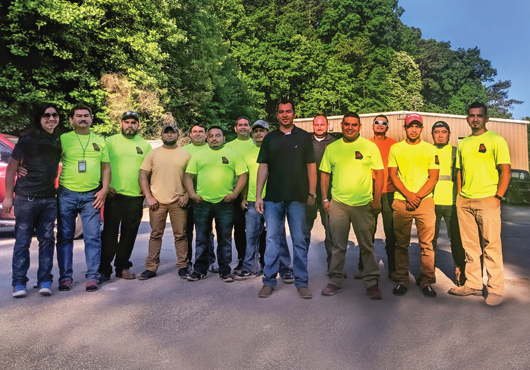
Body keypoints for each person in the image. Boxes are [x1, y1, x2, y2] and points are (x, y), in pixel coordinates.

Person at [448, 102, 511, 306]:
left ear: (486, 118)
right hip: (465, 200)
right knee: (470, 246)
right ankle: (474, 284)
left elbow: (506, 171)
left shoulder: (496, 140)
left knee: (491, 246)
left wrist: (497, 197)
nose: (475, 119)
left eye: (479, 116)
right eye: (472, 115)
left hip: (488, 200)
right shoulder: (464, 143)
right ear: (467, 118)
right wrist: (459, 197)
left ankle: (494, 290)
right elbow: (460, 172)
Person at [256, 100, 317, 299]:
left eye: (288, 111)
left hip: (297, 199)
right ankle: (269, 281)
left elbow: (311, 166)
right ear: (277, 115)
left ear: (294, 113)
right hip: (273, 198)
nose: (285, 115)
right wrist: (258, 195)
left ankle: (302, 283)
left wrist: (312, 193)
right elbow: (263, 167)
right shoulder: (270, 139)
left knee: (299, 241)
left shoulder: (304, 137)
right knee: (273, 240)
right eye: (281, 112)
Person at [320, 112, 384, 299]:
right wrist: (325, 199)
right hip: (338, 203)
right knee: (338, 245)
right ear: (341, 125)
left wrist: (377, 199)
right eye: (347, 124)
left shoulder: (369, 147)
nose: (350, 127)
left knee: (367, 245)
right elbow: (325, 174)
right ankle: (335, 281)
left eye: (354, 124)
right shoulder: (332, 148)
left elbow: (379, 173)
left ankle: (371, 282)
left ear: (360, 126)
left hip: (363, 204)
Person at [4, 104, 63, 297]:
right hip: (25, 199)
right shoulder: (27, 140)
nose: (51, 118)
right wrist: (7, 197)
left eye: (54, 115)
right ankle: (19, 283)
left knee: (47, 241)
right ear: (39, 118)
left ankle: (45, 281)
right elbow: (12, 168)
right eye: (47, 115)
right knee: (22, 242)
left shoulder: (59, 140)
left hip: (48, 199)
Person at [56, 104, 110, 292]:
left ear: (91, 119)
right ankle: (65, 278)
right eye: (78, 116)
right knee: (64, 237)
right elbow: (48, 160)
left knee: (93, 237)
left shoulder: (99, 140)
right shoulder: (63, 139)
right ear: (71, 120)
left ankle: (92, 277)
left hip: (92, 195)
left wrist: (104, 190)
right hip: (67, 194)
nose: (83, 118)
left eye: (86, 115)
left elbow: (106, 167)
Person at [184, 126, 248, 282]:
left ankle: (225, 270)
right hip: (202, 203)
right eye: (211, 136)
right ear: (207, 138)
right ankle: (200, 269)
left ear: (223, 138)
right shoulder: (199, 155)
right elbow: (188, 176)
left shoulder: (233, 154)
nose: (214, 138)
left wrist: (235, 194)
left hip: (224, 203)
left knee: (225, 238)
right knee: (201, 238)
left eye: (217, 136)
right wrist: (192, 194)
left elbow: (243, 175)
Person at [388, 113, 439, 298]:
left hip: (424, 201)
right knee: (401, 244)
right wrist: (408, 195)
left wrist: (417, 196)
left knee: (427, 244)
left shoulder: (430, 149)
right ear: (405, 128)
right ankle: (402, 280)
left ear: (422, 128)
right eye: (410, 126)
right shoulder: (396, 149)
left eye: (417, 126)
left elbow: (433, 176)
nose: (414, 129)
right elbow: (393, 175)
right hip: (401, 200)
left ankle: (427, 281)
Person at [98, 111, 152, 282]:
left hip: (135, 196)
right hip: (114, 195)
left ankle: (122, 266)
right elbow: (100, 164)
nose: (130, 125)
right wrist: (105, 186)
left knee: (129, 234)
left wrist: (147, 189)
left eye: (133, 123)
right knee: (109, 233)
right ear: (121, 123)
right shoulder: (109, 141)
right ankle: (104, 269)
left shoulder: (144, 145)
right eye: (127, 122)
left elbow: (150, 169)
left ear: (138, 125)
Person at [235, 120, 291, 280]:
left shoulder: (277, 150)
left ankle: (285, 268)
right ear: (252, 133)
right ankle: (250, 267)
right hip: (253, 201)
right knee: (251, 236)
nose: (259, 133)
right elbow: (245, 177)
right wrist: (244, 197)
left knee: (278, 236)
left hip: (273, 201)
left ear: (268, 132)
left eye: (262, 130)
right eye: (256, 131)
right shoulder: (246, 154)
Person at [138, 124, 190, 280]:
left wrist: (187, 194)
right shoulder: (152, 154)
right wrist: (148, 196)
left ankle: (182, 266)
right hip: (157, 201)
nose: (169, 135)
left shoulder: (186, 154)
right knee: (155, 235)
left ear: (177, 135)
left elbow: (193, 178)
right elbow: (142, 176)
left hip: (178, 201)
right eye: (166, 132)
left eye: (172, 132)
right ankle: (151, 267)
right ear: (161, 134)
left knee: (181, 235)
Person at [356, 115, 398, 282]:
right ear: (372, 126)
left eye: (383, 123)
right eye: (377, 123)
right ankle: (362, 266)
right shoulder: (364, 144)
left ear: (387, 127)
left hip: (389, 192)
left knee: (391, 233)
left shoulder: (394, 145)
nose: (380, 125)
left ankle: (393, 269)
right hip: (369, 192)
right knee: (367, 232)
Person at [431, 121, 466, 286]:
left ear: (449, 134)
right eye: (436, 132)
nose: (440, 135)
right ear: (432, 134)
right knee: (430, 239)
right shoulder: (427, 151)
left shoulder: (456, 152)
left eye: (443, 132)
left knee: (457, 240)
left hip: (453, 204)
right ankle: (428, 271)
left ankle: (460, 270)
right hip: (431, 202)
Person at [183, 123, 217, 273]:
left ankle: (209, 260)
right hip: (188, 198)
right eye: (194, 131)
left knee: (207, 232)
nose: (197, 134)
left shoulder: (211, 149)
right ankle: (188, 261)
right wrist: (186, 193)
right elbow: (181, 176)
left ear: (206, 135)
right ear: (190, 134)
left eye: (201, 132)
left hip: (206, 198)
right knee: (187, 231)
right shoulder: (183, 151)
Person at [305, 115, 336, 269]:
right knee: (304, 231)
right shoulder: (305, 142)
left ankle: (333, 266)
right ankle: (301, 264)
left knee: (331, 232)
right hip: (309, 193)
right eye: (316, 124)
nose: (319, 127)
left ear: (327, 125)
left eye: (322, 124)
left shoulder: (335, 143)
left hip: (329, 194)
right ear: (312, 126)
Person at [225, 116, 255, 272]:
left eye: (246, 125)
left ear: (250, 128)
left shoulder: (257, 143)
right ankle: (242, 259)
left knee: (258, 229)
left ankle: (261, 259)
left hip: (255, 194)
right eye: (240, 125)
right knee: (239, 228)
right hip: (235, 194)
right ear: (235, 128)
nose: (243, 127)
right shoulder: (228, 147)